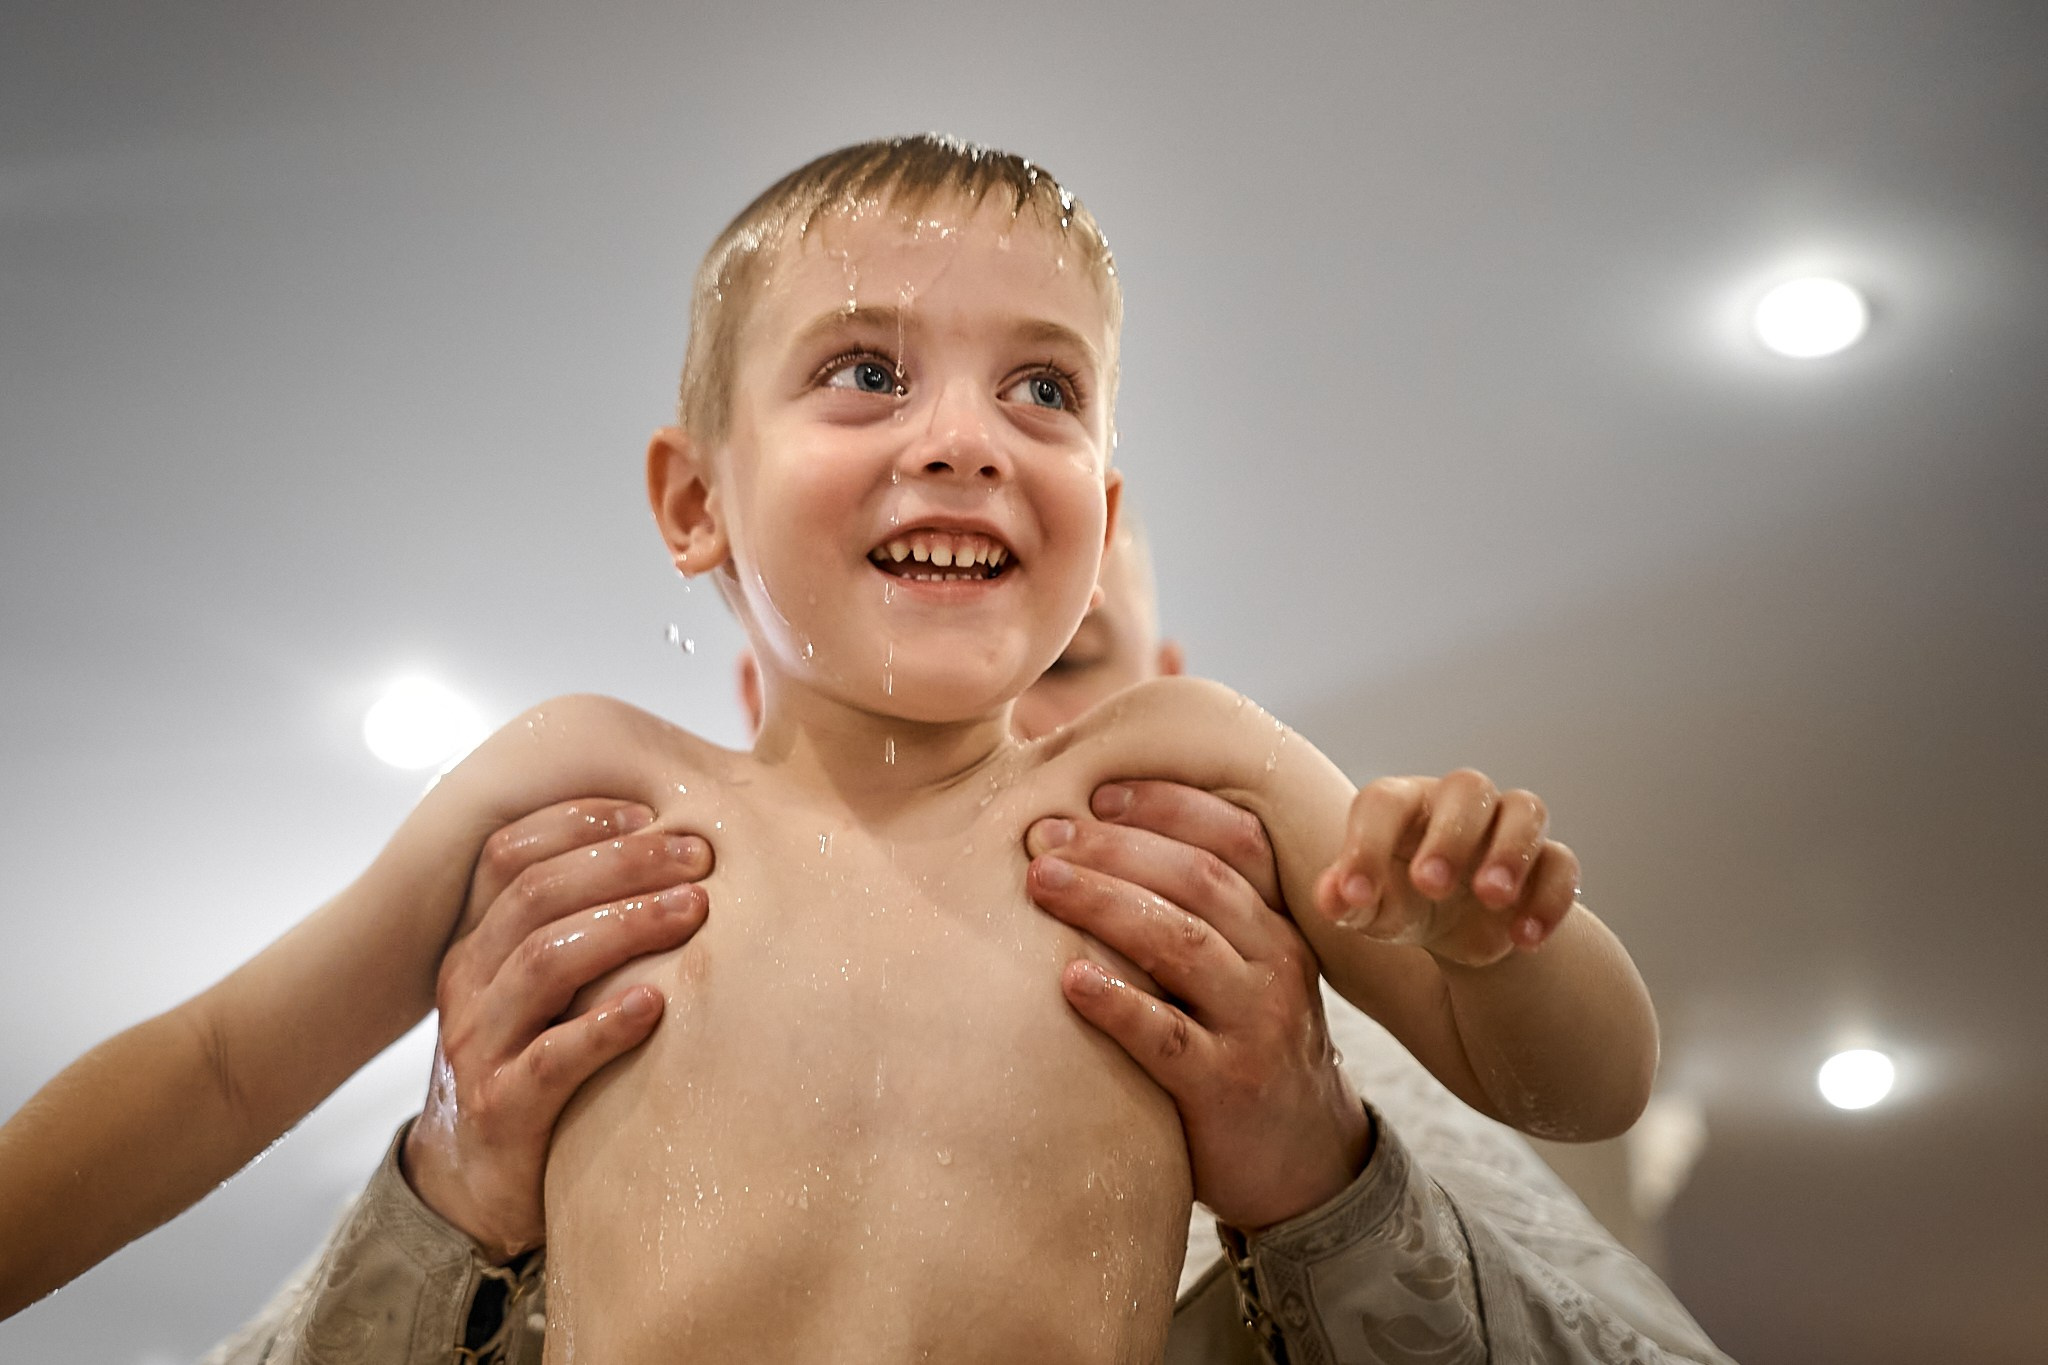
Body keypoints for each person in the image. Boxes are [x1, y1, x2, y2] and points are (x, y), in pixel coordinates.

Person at [0, 137, 1660, 1363]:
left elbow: (1582, 1089)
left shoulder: (1185, 766)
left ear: (1109, 512)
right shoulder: (581, 784)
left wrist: (1493, 936)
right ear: (692, 499)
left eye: (1044, 391)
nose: (965, 439)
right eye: (869, 372)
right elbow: (219, 1065)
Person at [201, 515, 1734, 1365]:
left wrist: (1322, 1180)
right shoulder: (588, 1035)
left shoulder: (1382, 1065)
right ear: (757, 713)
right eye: (906, 680)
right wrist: (457, 1205)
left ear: (1174, 693)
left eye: (1072, 666)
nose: (994, 733)